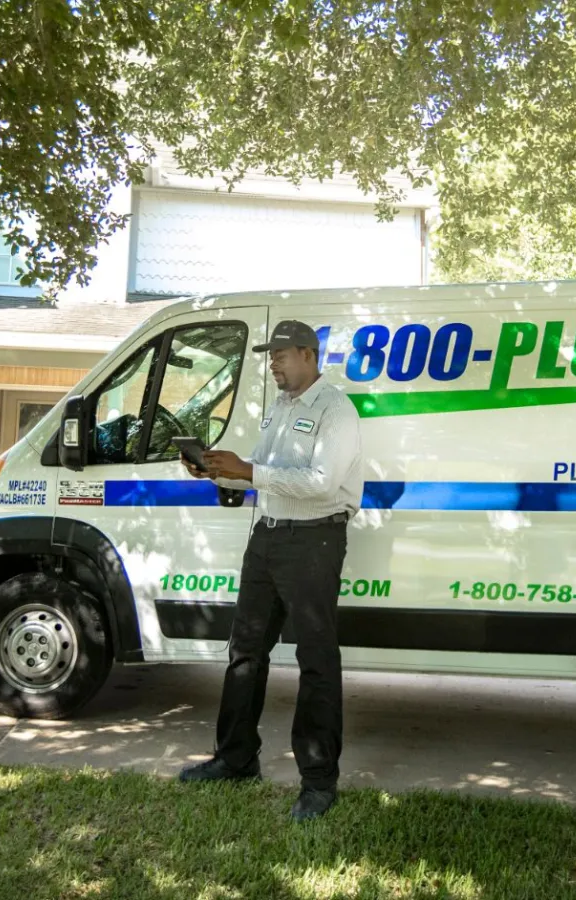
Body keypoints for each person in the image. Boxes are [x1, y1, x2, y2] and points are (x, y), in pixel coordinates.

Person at [177, 319, 365, 822]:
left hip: (314, 540)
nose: (273, 363)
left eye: (281, 354)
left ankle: (319, 782)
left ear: (307, 354)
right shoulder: (280, 409)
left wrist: (250, 471)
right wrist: (222, 472)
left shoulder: (336, 410)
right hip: (268, 537)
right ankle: (236, 759)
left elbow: (323, 484)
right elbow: (264, 475)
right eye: (270, 355)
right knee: (245, 651)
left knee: (316, 659)